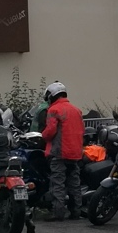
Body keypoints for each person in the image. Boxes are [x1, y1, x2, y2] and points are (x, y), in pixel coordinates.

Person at [41, 82, 84, 220]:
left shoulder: (54, 110)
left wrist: (42, 135)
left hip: (59, 152)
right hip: (75, 153)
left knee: (57, 183)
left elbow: (50, 132)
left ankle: (58, 213)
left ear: (52, 95)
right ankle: (76, 211)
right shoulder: (76, 110)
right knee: (74, 184)